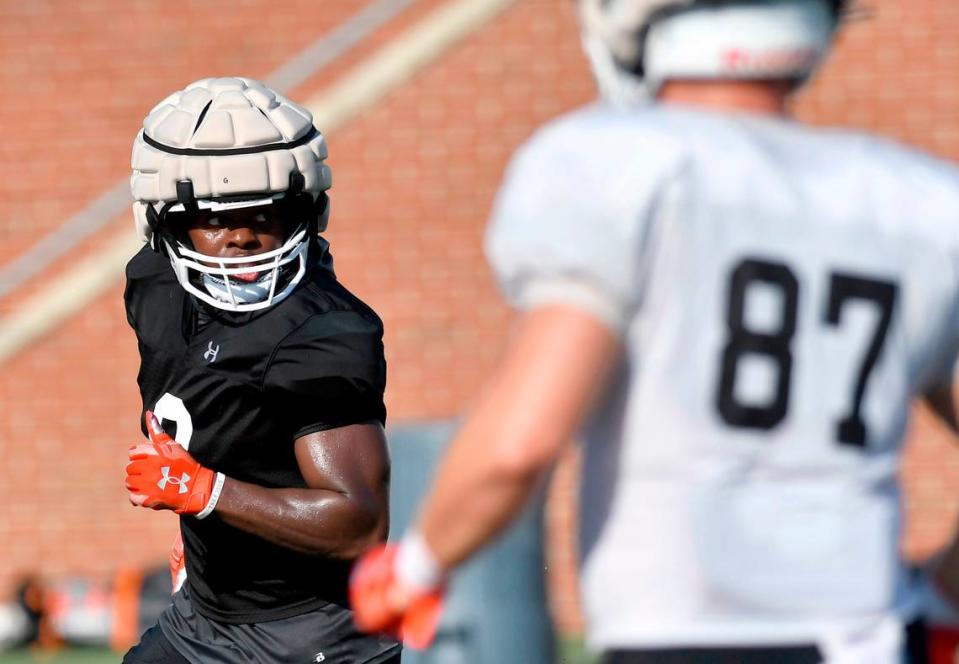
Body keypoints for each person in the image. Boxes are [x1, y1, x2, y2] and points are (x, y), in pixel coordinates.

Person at [349, 1, 959, 662]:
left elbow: (519, 444)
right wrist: (940, 596)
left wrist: (415, 566)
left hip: (679, 640)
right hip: (866, 641)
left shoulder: (620, 165)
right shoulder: (911, 203)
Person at [122, 77, 400, 664]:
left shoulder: (321, 334)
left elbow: (358, 525)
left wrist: (204, 493)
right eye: (215, 218)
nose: (243, 236)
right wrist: (197, 536)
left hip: (311, 633)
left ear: (307, 213)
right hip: (206, 616)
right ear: (165, 225)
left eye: (266, 214)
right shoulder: (156, 287)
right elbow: (214, 413)